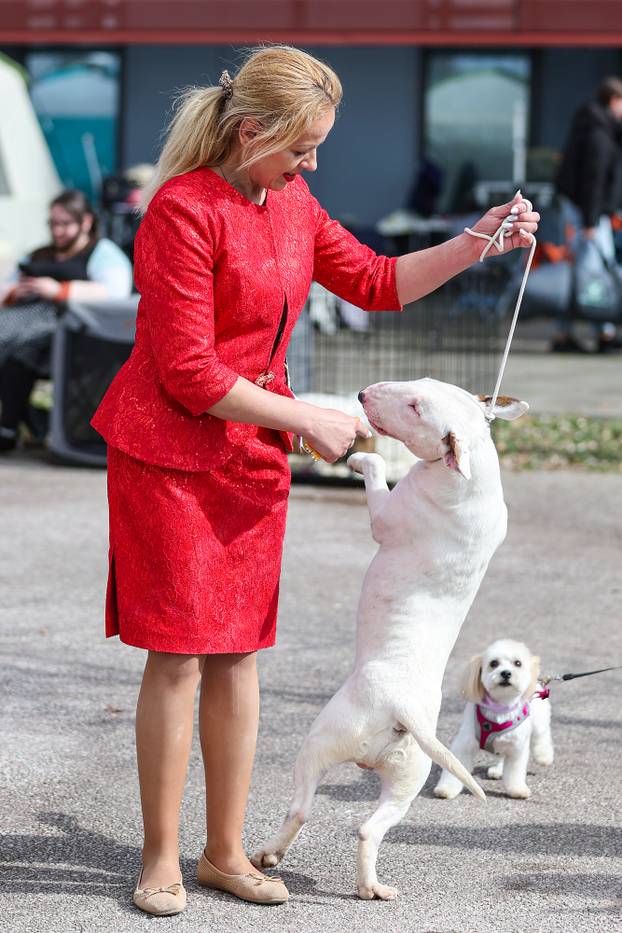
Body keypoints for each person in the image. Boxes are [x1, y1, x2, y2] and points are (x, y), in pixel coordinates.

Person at [90, 46, 539, 917]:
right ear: (251, 131)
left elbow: (374, 280)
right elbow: (185, 371)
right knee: (177, 656)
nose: (314, 164)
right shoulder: (180, 212)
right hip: (168, 457)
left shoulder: (290, 200)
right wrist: (308, 418)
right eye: (303, 147)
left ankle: (223, 850)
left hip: (249, 456)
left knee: (238, 654)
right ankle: (159, 857)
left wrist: (474, 241)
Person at [0, 189, 133, 450]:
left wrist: (59, 291)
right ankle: (20, 425)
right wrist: (19, 291)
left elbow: (116, 293)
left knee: (20, 358)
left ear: (86, 222)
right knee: (13, 357)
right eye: (53, 224)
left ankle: (14, 428)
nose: (57, 231)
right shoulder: (39, 255)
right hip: (28, 333)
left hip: (83, 343)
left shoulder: (104, 254)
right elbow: (6, 289)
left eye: (65, 224)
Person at [555, 76, 622, 353]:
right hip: (588, 215)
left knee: (579, 270)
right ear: (613, 101)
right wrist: (592, 221)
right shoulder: (598, 131)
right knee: (593, 271)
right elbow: (592, 180)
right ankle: (603, 331)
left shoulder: (595, 125)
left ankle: (567, 332)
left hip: (585, 212)